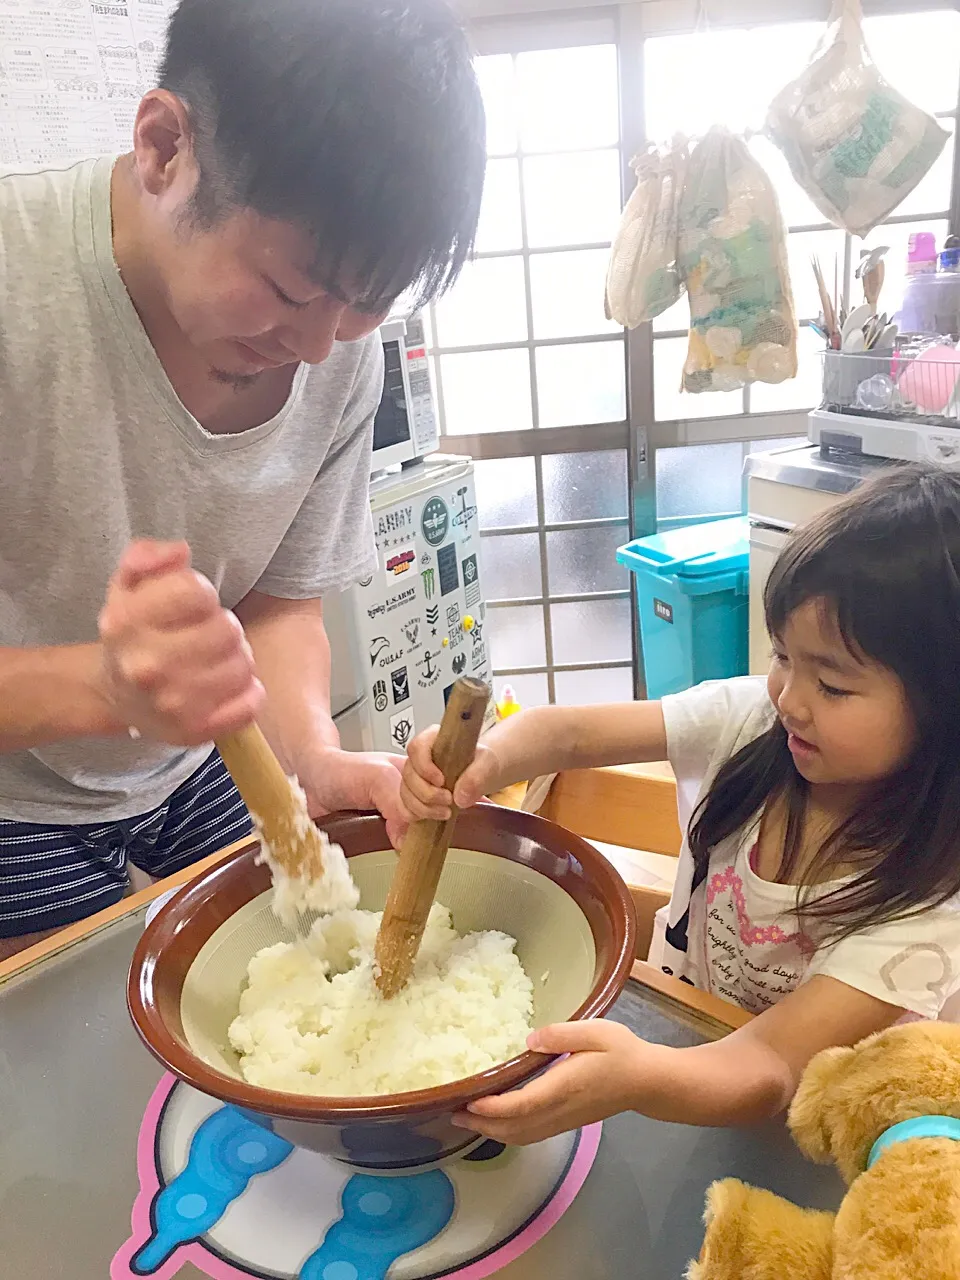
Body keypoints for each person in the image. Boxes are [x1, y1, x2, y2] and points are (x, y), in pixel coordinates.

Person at [0, 0, 485, 956]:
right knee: (73, 1060)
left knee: (301, 985)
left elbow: (280, 605)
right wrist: (102, 686)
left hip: (206, 763)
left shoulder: (342, 348)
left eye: (364, 303)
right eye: (288, 291)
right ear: (164, 146)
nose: (314, 349)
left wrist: (313, 756)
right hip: (16, 791)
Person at [402, 464, 960, 1145]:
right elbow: (565, 733)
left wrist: (639, 1079)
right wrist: (484, 759)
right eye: (783, 655)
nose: (789, 698)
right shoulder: (752, 718)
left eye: (834, 686)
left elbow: (770, 1066)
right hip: (678, 1030)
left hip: (808, 1136)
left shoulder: (931, 906)